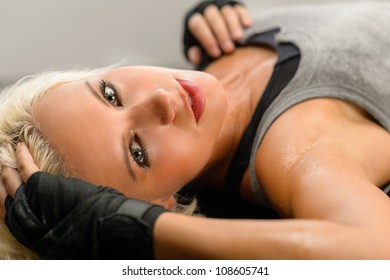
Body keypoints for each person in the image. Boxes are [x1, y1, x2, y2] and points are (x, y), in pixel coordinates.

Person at [1, 0, 390, 259]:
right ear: (160, 205)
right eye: (138, 152)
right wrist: (132, 229)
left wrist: (219, 23)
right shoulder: (299, 148)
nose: (160, 99)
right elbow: (374, 251)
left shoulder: (215, 49)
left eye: (109, 93)